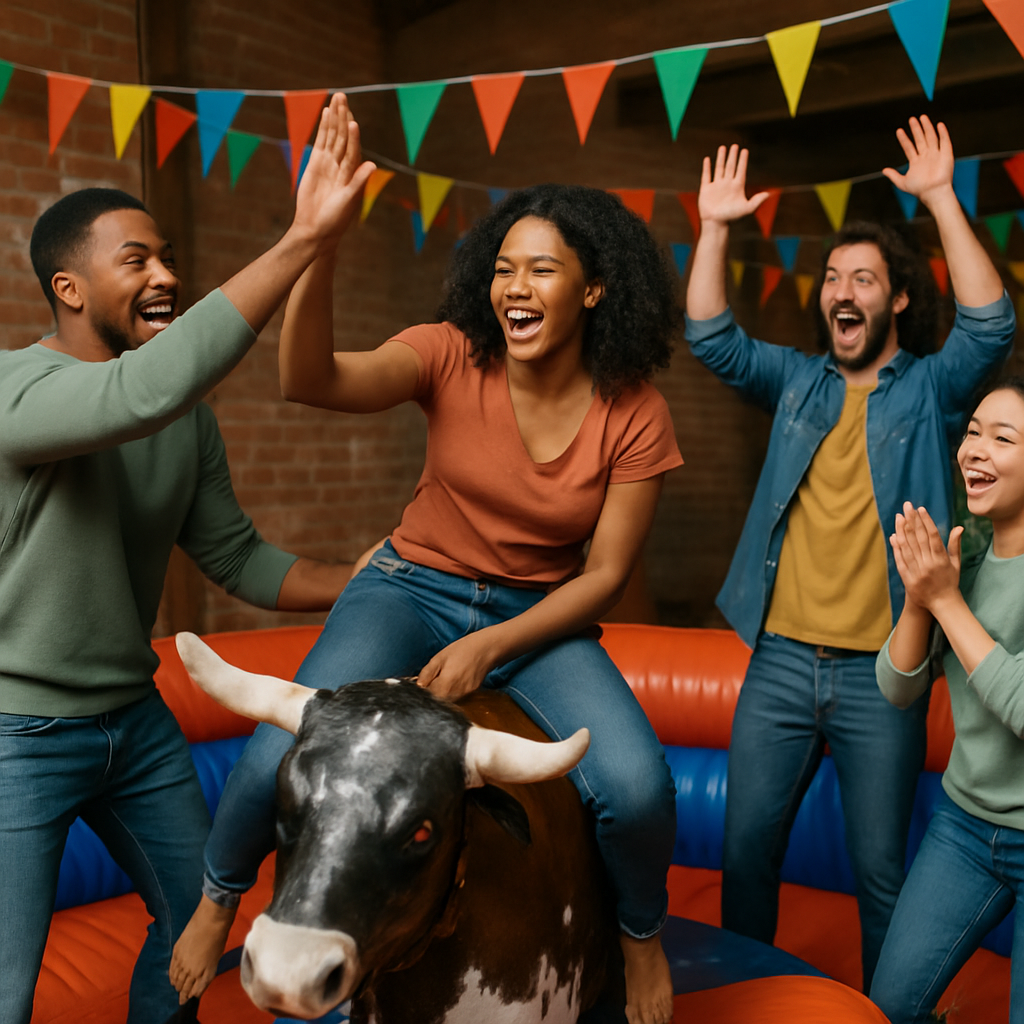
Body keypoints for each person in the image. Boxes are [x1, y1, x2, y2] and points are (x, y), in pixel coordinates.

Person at [170, 125, 683, 1024]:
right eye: (504, 269)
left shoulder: (634, 409)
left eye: (544, 270)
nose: (515, 288)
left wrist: (493, 644)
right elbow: (308, 378)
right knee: (268, 755)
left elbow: (604, 576)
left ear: (595, 289)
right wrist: (318, 245)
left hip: (538, 616)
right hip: (408, 587)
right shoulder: (451, 351)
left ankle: (641, 940)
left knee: (640, 790)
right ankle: (218, 900)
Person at [0, 94, 376, 1024]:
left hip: (134, 722)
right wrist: (298, 243)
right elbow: (135, 395)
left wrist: (368, 576)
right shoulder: (19, 389)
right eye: (138, 260)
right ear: (69, 288)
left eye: (168, 255)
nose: (165, 274)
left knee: (196, 919)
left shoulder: (182, 420)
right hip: (18, 735)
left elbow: (239, 557)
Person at [684, 115, 1014, 991]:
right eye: (832, 276)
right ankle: (738, 998)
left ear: (895, 299)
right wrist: (715, 227)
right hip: (781, 663)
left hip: (882, 678)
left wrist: (940, 197)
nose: (843, 288)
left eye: (863, 277)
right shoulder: (796, 381)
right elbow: (710, 337)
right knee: (746, 854)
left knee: (880, 874)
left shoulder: (933, 391)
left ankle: (882, 1011)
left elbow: (990, 325)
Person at [872, 380, 1024, 1022]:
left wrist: (944, 601)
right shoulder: (970, 553)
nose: (974, 451)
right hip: (964, 825)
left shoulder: (956, 583)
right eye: (972, 431)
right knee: (889, 1008)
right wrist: (917, 597)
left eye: (1003, 437)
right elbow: (899, 688)